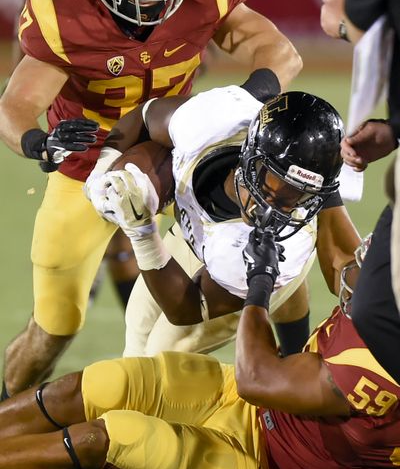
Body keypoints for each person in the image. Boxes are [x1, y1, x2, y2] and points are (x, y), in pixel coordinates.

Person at [0, 0, 302, 399]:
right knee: (54, 327)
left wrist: (245, 99)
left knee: (267, 247)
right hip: (89, 171)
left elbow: (279, 51)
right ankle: (8, 414)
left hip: (179, 153)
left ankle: (298, 356)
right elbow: (15, 105)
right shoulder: (62, 7)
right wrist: (40, 144)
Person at [0, 238, 398, 469]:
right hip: (246, 404)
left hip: (264, 459)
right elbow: (344, 260)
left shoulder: (379, 366)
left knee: (102, 437)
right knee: (94, 386)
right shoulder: (384, 309)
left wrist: (260, 283)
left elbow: (258, 377)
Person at [15, 0, 217, 311]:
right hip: (91, 114)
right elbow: (38, 15)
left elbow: (206, 22)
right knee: (109, 213)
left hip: (158, 114)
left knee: (143, 229)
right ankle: (101, 265)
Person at [85, 89, 360, 358]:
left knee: (160, 355)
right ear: (251, 156)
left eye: (303, 195)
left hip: (254, 265)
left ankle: (278, 383)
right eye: (277, 184)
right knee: (138, 329)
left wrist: (142, 231)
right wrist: (99, 174)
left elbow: (187, 310)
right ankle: (294, 355)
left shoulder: (287, 240)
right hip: (202, 235)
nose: (282, 208)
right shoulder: (218, 122)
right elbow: (144, 116)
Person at [320, 0, 400, 383]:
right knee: (375, 306)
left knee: (377, 313)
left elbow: (360, 24)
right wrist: (394, 129)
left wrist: (339, 19)